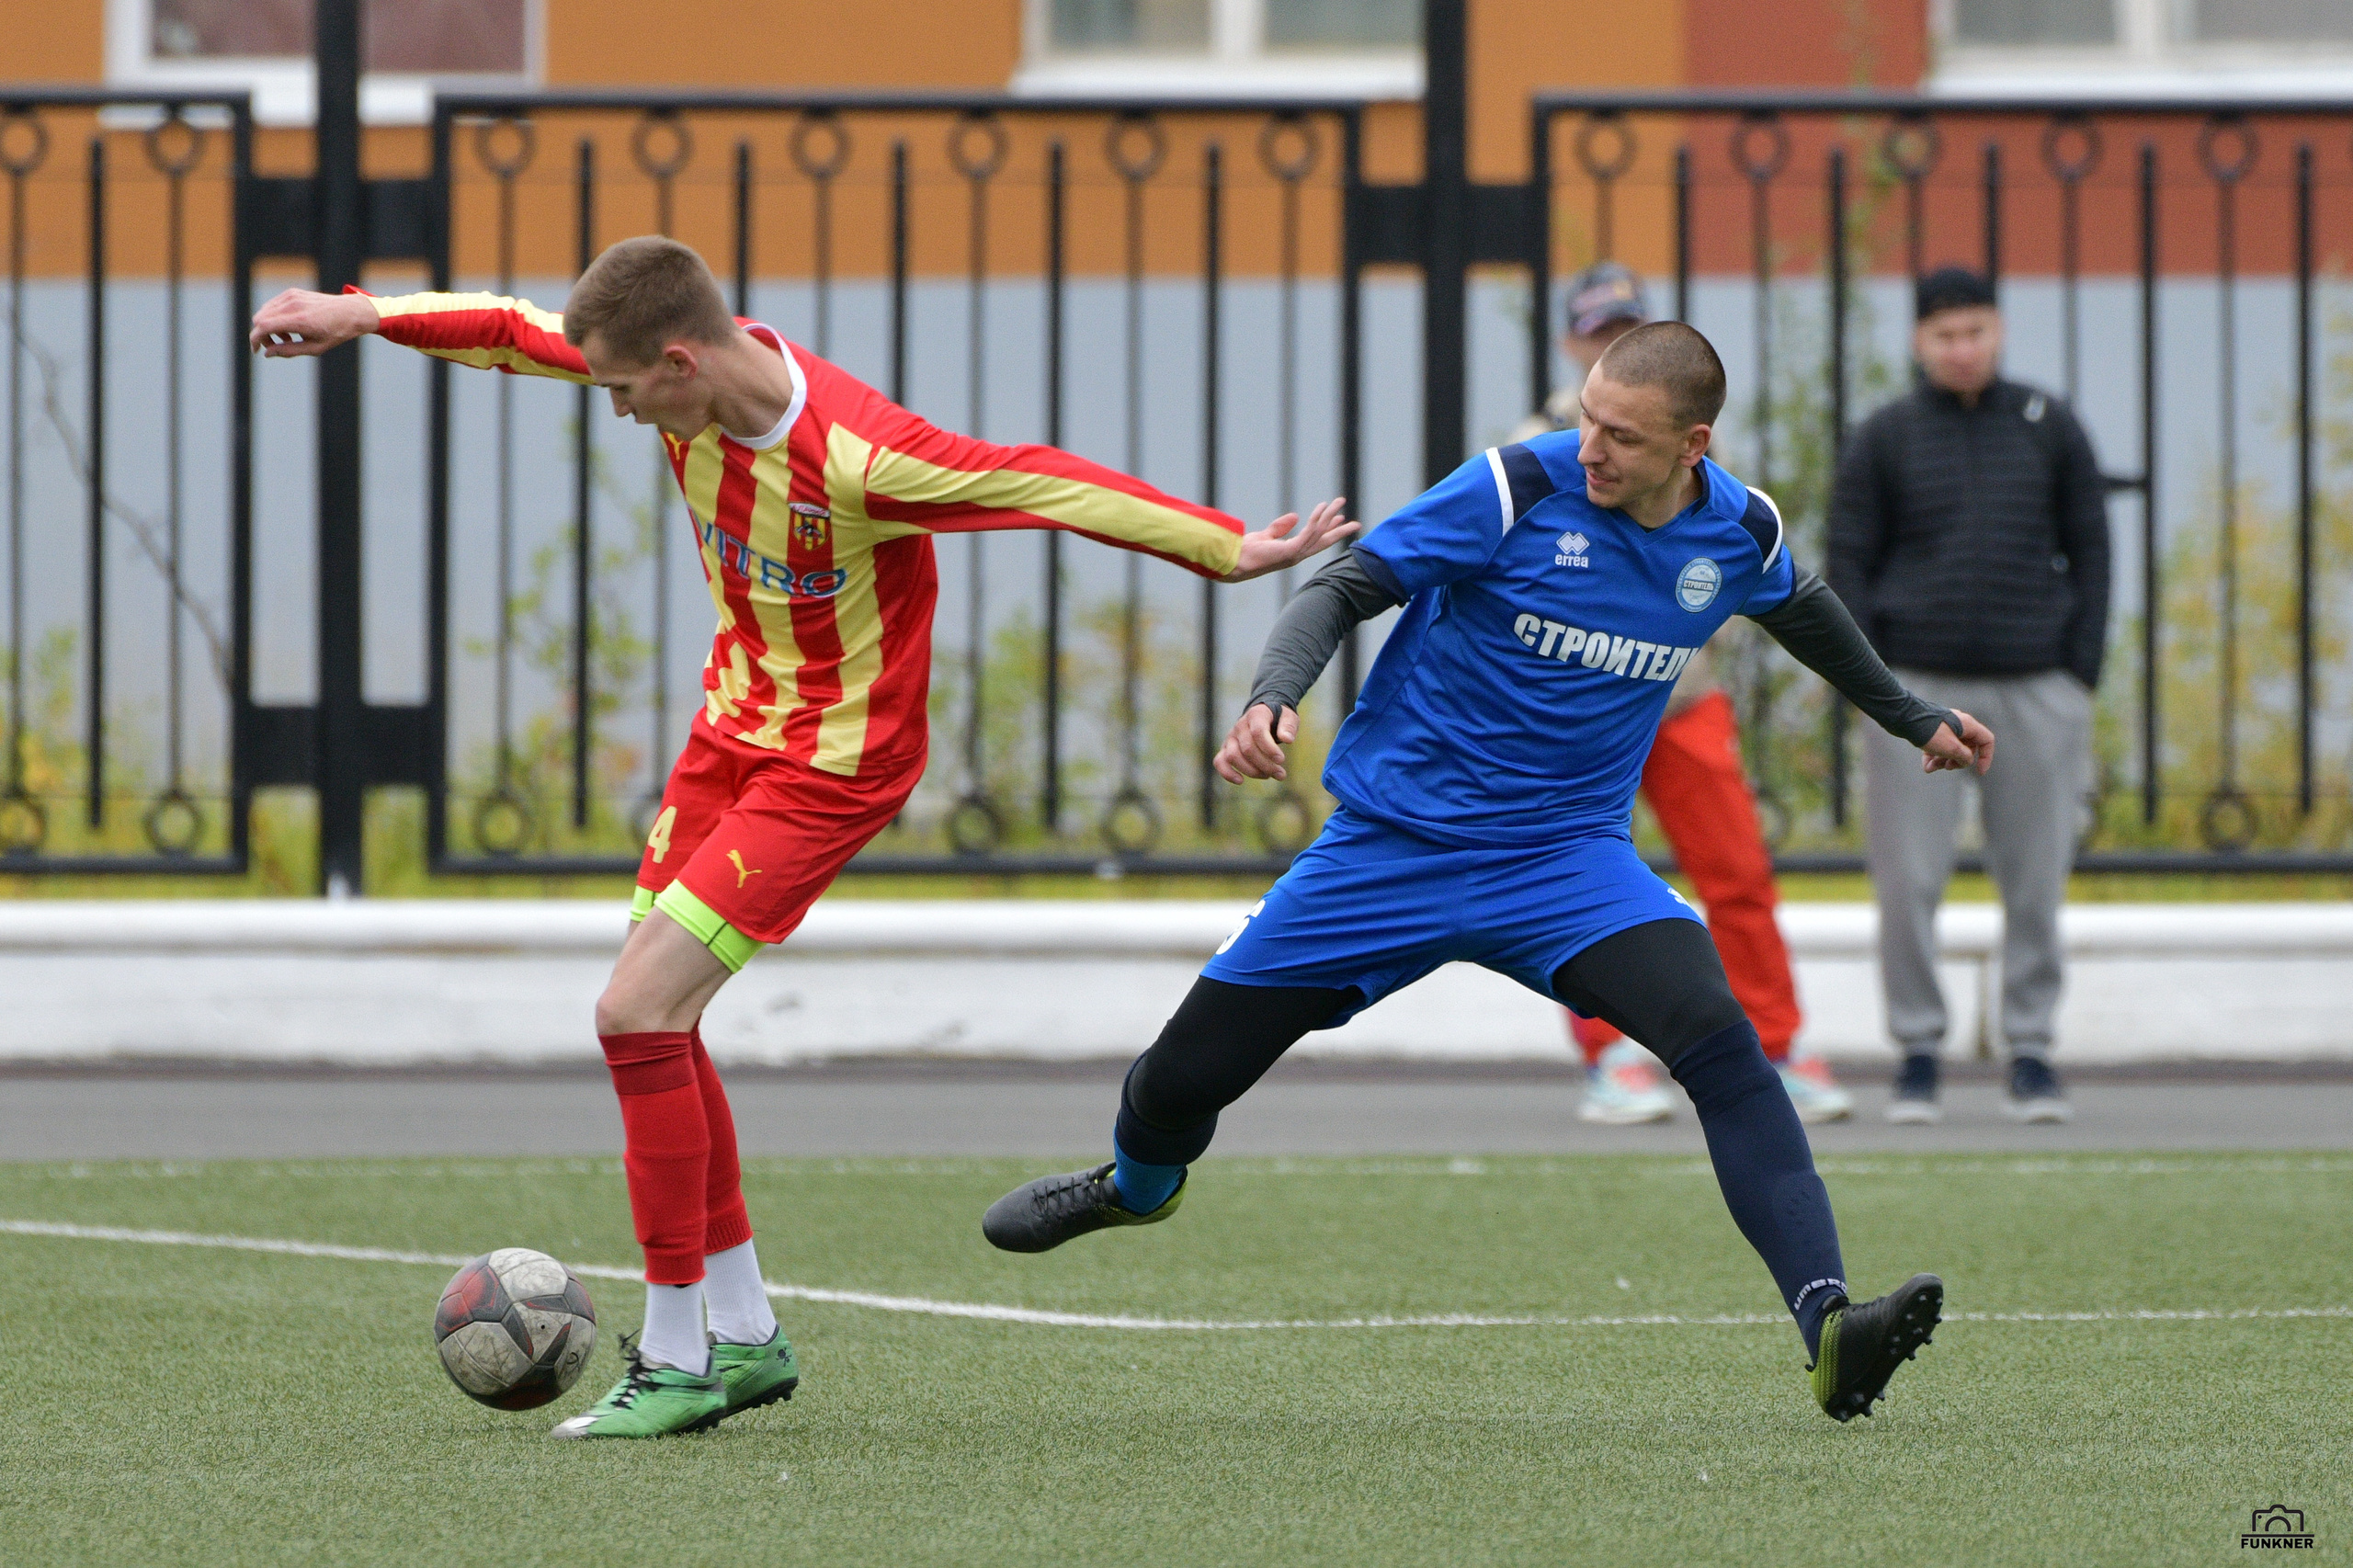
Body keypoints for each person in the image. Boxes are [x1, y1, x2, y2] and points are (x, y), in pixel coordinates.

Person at [248, 237, 1355, 1438]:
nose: (614, 409)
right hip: (729, 737)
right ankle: (745, 1334)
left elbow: (1033, 478)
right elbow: (518, 328)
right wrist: (361, 316)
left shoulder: (860, 457)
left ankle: (677, 1354)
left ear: (679, 363)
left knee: (633, 1013)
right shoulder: (671, 378)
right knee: (657, 1022)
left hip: (833, 765)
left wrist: (1226, 545)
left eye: (623, 389)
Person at [983, 321, 1993, 1421]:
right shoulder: (1514, 488)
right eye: (1585, 417)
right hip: (1389, 850)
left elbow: (1802, 608)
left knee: (1722, 1044)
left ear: (1691, 444)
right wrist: (1272, 694)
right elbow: (1343, 586)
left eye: (1619, 435)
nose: (1589, 447)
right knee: (1178, 1080)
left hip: (1567, 863)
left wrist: (1912, 717)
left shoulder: (1737, 533)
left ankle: (1829, 1326)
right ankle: (1132, 1191)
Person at [1515, 264, 1848, 1126]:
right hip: (1579, 710)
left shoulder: (1689, 436)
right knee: (1568, 873)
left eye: (1624, 326)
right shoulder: (1538, 443)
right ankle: (1609, 1058)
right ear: (1569, 344)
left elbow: (1734, 555)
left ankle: (1777, 1044)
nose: (1609, 341)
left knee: (1736, 869)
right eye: (1595, 330)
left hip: (1680, 693)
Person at [1828, 266, 2109, 1126]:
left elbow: (2092, 550)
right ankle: (1918, 1053)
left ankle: (2031, 1052)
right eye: (1946, 335)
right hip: (1919, 693)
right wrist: (1878, 688)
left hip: (2037, 689)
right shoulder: (1884, 436)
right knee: (1907, 882)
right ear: (1919, 340)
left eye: (1976, 331)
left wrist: (2078, 675)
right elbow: (1848, 561)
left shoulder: (2049, 425)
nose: (1962, 349)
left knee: (2036, 881)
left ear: (2000, 330)